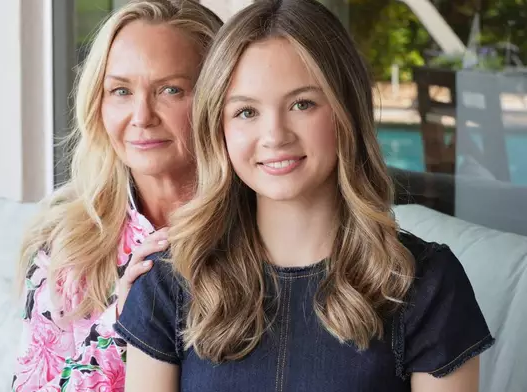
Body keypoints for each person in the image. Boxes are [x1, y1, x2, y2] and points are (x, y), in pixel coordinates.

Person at [114, 1, 495, 391]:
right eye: (246, 112)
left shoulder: (426, 284)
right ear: (219, 128)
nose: (276, 135)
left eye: (302, 104)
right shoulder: (168, 280)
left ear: (346, 112)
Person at [11, 1, 222, 391]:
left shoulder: (265, 230)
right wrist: (122, 325)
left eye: (171, 90)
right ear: (98, 102)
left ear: (219, 96)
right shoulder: (66, 247)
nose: (141, 116)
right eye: (121, 91)